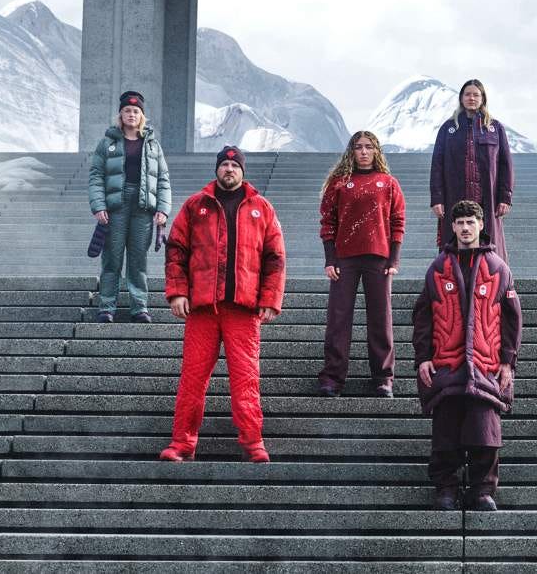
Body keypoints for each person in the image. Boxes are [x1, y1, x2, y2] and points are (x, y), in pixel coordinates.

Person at [159, 146, 286, 463]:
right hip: (203, 309)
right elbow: (176, 251)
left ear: (243, 171)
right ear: (217, 169)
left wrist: (270, 298)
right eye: (225, 164)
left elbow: (275, 258)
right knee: (192, 380)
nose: (229, 169)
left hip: (243, 311)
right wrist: (177, 292)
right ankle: (182, 444)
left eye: (235, 165)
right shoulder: (195, 206)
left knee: (246, 380)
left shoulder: (262, 208)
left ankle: (253, 443)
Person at [413, 200, 522, 511]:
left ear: (481, 225)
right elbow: (422, 317)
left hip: (486, 366)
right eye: (459, 222)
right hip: (447, 365)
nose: (464, 228)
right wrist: (423, 357)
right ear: (452, 226)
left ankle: (482, 490)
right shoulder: (437, 268)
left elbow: (512, 319)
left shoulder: (499, 268)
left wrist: (508, 361)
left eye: (470, 222)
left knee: (485, 432)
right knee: (445, 433)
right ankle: (446, 489)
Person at [316, 131, 407, 398]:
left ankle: (383, 378)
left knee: (380, 318)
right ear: (351, 152)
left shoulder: (388, 183)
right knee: (338, 318)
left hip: (379, 259)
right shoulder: (339, 183)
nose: (364, 152)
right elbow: (327, 222)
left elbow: (398, 221)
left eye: (369, 147)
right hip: (344, 259)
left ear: (376, 151)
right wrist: (330, 258)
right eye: (358, 147)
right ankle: (333, 378)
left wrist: (394, 258)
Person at [88, 90, 171, 323]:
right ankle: (107, 307)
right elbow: (96, 176)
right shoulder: (107, 143)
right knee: (112, 259)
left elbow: (163, 179)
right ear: (121, 115)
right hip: (116, 206)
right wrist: (98, 205)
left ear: (141, 115)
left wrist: (163, 210)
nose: (131, 114)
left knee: (138, 260)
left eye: (135, 111)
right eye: (127, 110)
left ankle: (139, 308)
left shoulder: (152, 145)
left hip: (143, 207)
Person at [430, 79, 514, 262]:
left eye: (476, 95)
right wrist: (437, 199)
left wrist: (505, 197)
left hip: (487, 201)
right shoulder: (448, 129)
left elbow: (505, 164)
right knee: (453, 249)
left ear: (483, 98)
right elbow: (437, 165)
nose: (472, 98)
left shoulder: (495, 128)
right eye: (467, 94)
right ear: (461, 98)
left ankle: (490, 279)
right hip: (455, 199)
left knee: (490, 251)